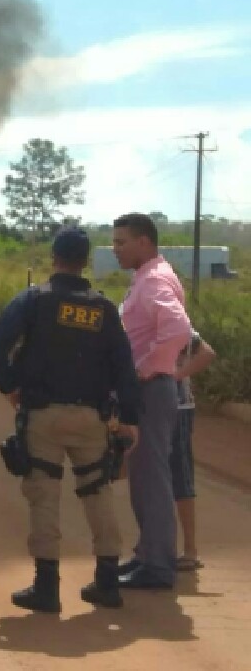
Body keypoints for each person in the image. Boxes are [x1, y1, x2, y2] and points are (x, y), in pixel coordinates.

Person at [0, 227, 141, 613]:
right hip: (91, 418)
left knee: (44, 496)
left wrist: (10, 386)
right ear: (86, 260)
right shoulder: (103, 308)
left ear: (54, 258)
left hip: (42, 414)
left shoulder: (34, 300)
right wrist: (130, 419)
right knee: (97, 492)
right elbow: (124, 367)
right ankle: (107, 581)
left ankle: (46, 587)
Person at [112, 213, 192, 590]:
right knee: (142, 477)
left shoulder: (155, 279)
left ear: (144, 242)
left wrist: (145, 368)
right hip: (148, 389)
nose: (116, 249)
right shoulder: (146, 278)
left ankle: (158, 567)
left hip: (151, 388)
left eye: (122, 242)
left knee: (153, 478)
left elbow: (177, 329)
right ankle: (147, 556)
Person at [172, 330, 216, 571]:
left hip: (179, 407)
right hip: (152, 405)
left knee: (180, 476)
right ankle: (154, 547)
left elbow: (207, 353)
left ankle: (190, 549)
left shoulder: (176, 322)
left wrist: (176, 376)